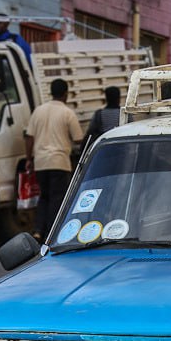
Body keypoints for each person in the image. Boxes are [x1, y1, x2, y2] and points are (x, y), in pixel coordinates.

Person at [25, 79, 84, 240]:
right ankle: (51, 233)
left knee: (44, 196)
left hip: (41, 163)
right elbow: (78, 139)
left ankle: (38, 230)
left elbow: (29, 137)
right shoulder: (67, 113)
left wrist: (28, 159)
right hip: (59, 162)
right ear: (66, 94)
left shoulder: (38, 111)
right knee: (57, 198)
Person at [83, 86, 122, 152]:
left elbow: (90, 132)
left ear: (106, 99)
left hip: (104, 148)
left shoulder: (99, 114)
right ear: (119, 98)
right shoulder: (124, 113)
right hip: (121, 147)